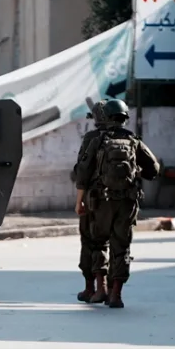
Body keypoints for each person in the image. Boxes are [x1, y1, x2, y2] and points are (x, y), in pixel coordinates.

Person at [74, 99, 159, 308]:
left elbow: (82, 172)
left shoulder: (95, 139)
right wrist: (137, 171)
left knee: (96, 242)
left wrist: (79, 202)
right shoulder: (133, 140)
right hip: (127, 202)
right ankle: (116, 295)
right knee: (121, 246)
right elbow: (154, 169)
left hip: (100, 201)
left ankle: (98, 287)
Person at [71, 100, 110, 304]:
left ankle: (92, 288)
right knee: (116, 244)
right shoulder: (126, 138)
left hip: (93, 199)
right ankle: (112, 290)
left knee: (90, 241)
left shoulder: (91, 138)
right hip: (118, 201)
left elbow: (82, 172)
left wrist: (79, 201)